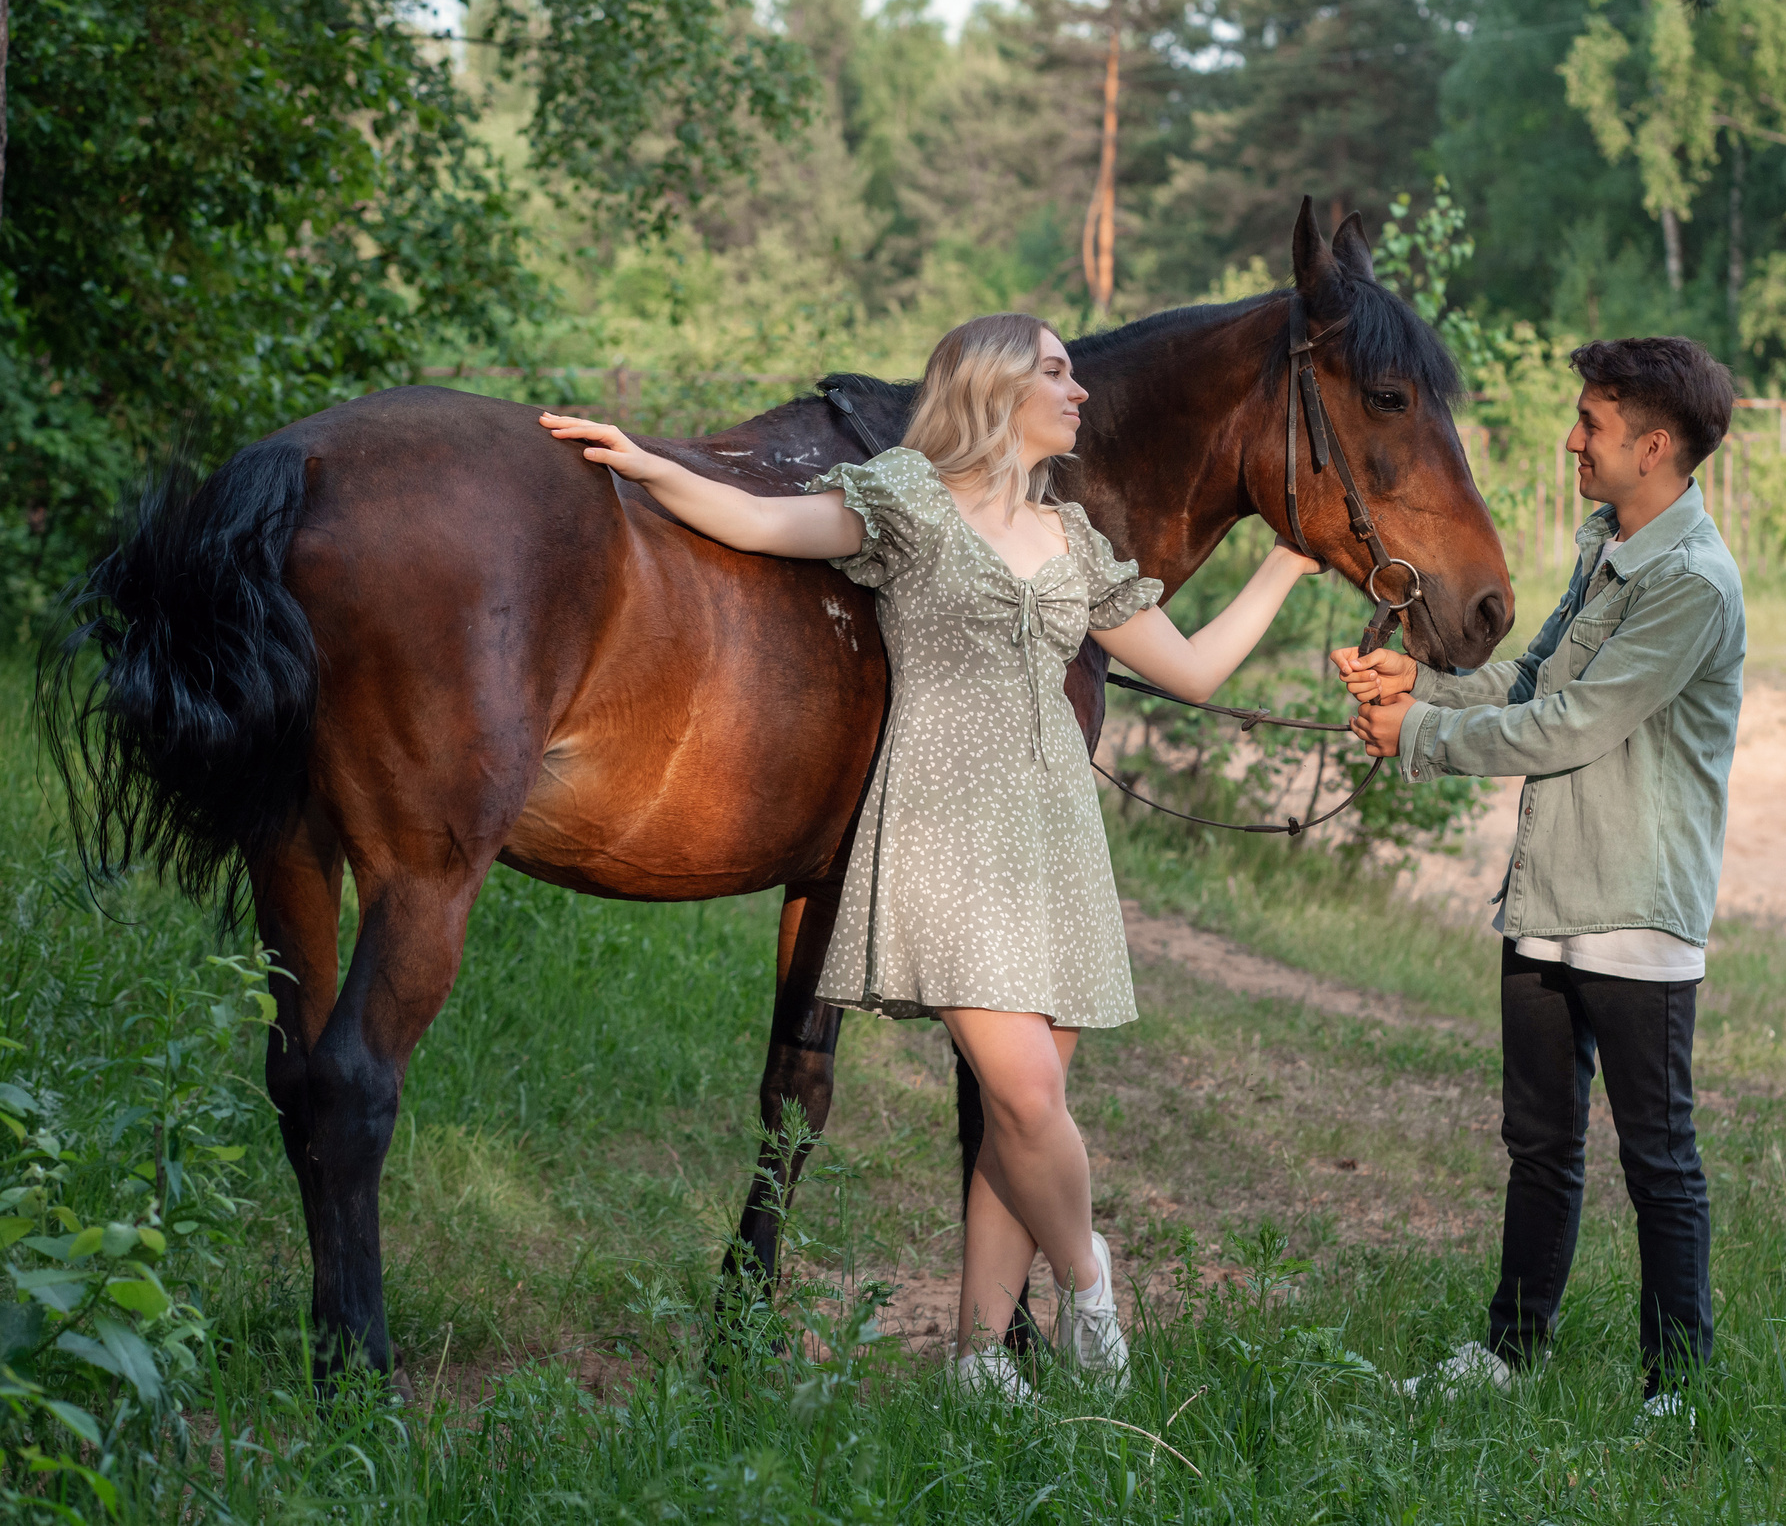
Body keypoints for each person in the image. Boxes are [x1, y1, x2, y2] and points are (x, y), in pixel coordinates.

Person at [541, 314, 1320, 1400]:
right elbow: (760, 524)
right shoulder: (905, 499)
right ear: (993, 388)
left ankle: (974, 1362)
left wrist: (1286, 562)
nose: (1079, 390)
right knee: (1032, 1098)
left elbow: (1190, 670)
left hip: (1054, 842)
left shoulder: (1070, 538)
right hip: (946, 838)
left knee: (1016, 1115)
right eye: (1054, 371)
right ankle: (1091, 1292)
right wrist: (639, 465)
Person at [1333, 336, 1743, 1418]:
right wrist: (1417, 676)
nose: (1572, 438)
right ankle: (1509, 1352)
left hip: (1633, 909)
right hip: (1547, 896)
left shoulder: (1691, 584)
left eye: (1592, 424)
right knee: (1540, 1144)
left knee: (1656, 1156)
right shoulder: (1606, 547)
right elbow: (1531, 678)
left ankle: (1677, 1389)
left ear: (1654, 446)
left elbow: (1572, 726)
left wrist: (1416, 733)